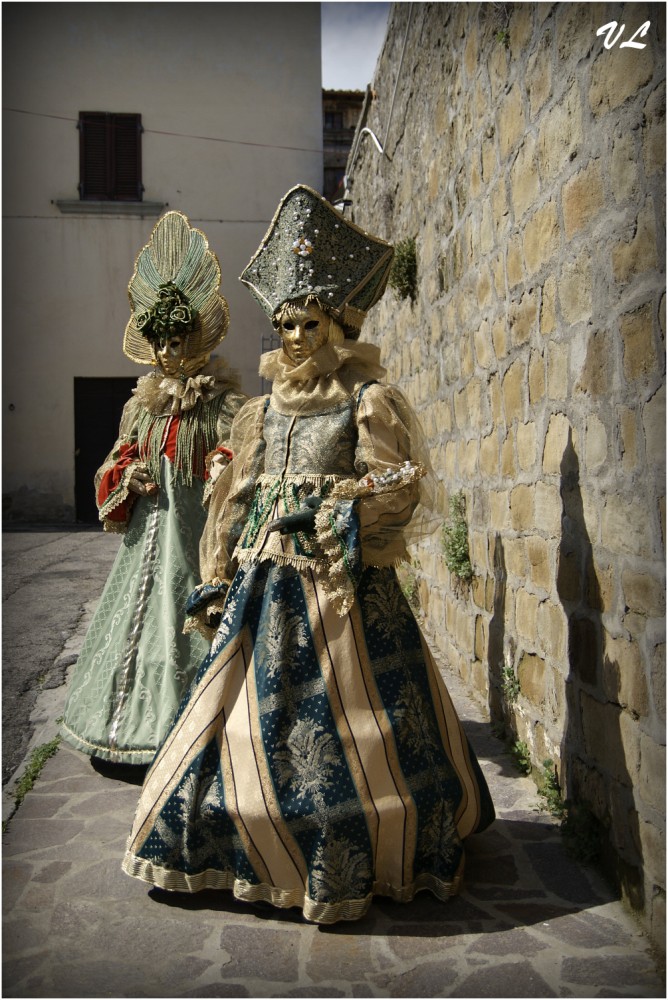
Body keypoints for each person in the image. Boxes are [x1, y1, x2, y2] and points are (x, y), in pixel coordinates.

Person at [122, 185, 494, 922]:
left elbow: (397, 485)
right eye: (285, 323)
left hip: (340, 589)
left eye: (308, 322)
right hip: (265, 586)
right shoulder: (262, 410)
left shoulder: (367, 400)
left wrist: (333, 508)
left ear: (336, 323)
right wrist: (219, 571)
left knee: (361, 725)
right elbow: (236, 496)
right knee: (232, 720)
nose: (294, 336)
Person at [60, 211, 246, 766]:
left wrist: (221, 464)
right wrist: (128, 476)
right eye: (158, 341)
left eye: (175, 339)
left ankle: (198, 732)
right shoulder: (140, 406)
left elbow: (242, 454)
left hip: (197, 541)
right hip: (146, 543)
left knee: (191, 626)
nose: (165, 351)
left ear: (196, 337)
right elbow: (114, 460)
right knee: (137, 630)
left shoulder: (221, 403)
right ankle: (129, 732)